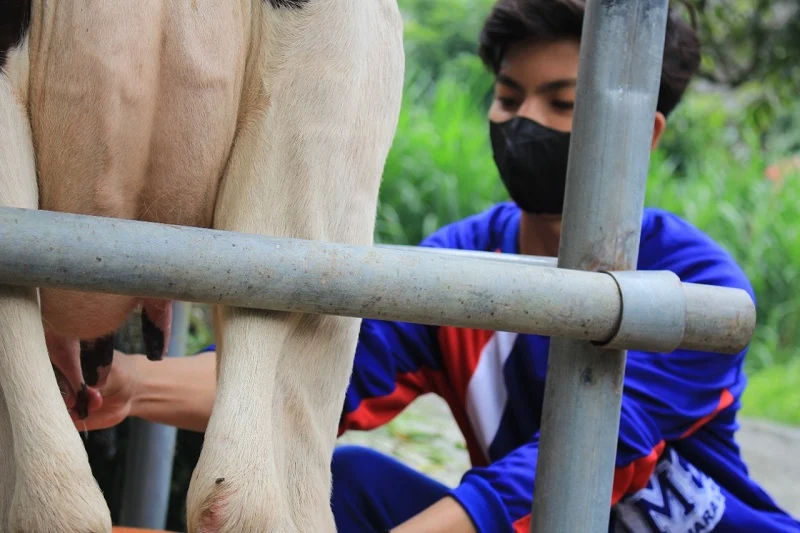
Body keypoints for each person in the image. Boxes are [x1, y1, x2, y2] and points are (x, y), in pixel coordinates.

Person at [72, 1, 800, 532]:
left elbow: (579, 459)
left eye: (563, 103)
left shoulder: (695, 286)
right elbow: (316, 371)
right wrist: (130, 385)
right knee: (351, 482)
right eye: (509, 98)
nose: (524, 123)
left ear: (643, 135)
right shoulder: (461, 264)